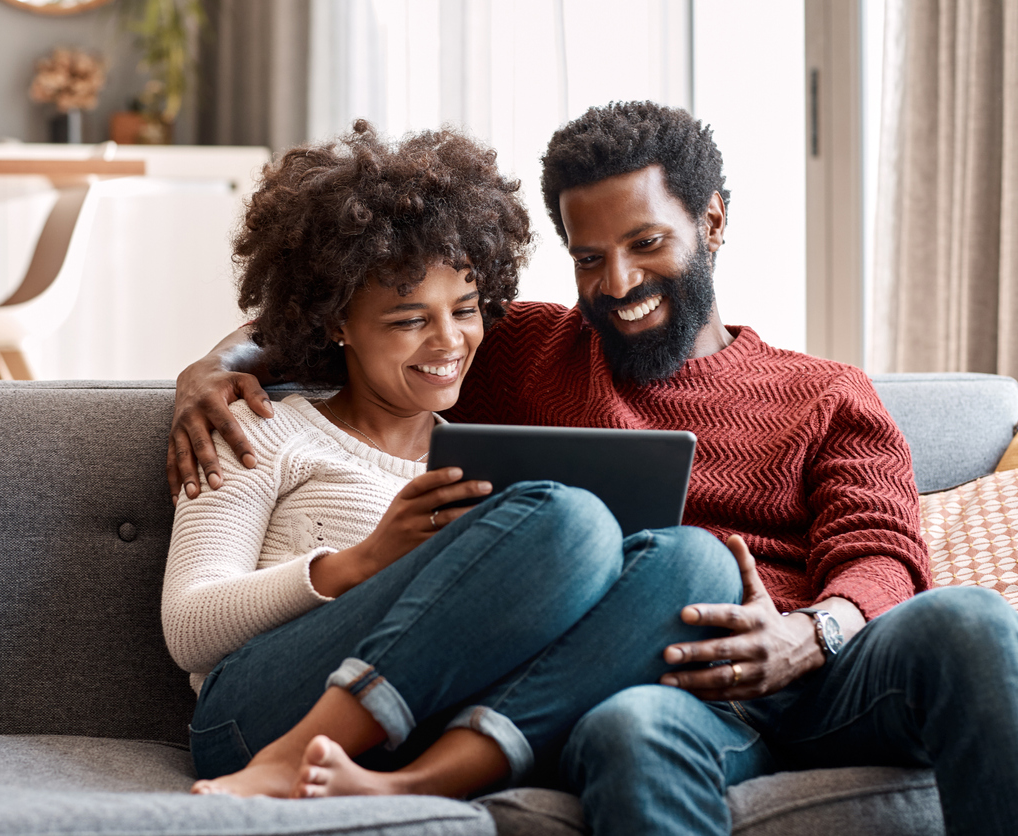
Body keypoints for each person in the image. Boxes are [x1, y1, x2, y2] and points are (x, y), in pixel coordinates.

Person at [168, 101, 1018, 834]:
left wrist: (811, 633)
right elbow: (358, 312)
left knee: (973, 622)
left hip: (822, 666)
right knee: (636, 711)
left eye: (647, 243)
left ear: (712, 223)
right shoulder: (529, 349)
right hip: (670, 680)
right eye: (588, 257)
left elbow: (883, 554)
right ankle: (415, 778)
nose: (618, 282)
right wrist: (212, 368)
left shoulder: (827, 393)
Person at [162, 120, 744, 802]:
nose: (448, 343)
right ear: (335, 322)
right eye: (408, 320)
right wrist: (363, 560)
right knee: (569, 517)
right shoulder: (255, 426)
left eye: (466, 310)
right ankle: (292, 757)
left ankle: (417, 784)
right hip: (256, 716)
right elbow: (189, 628)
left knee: (697, 560)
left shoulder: (476, 441)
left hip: (426, 728)